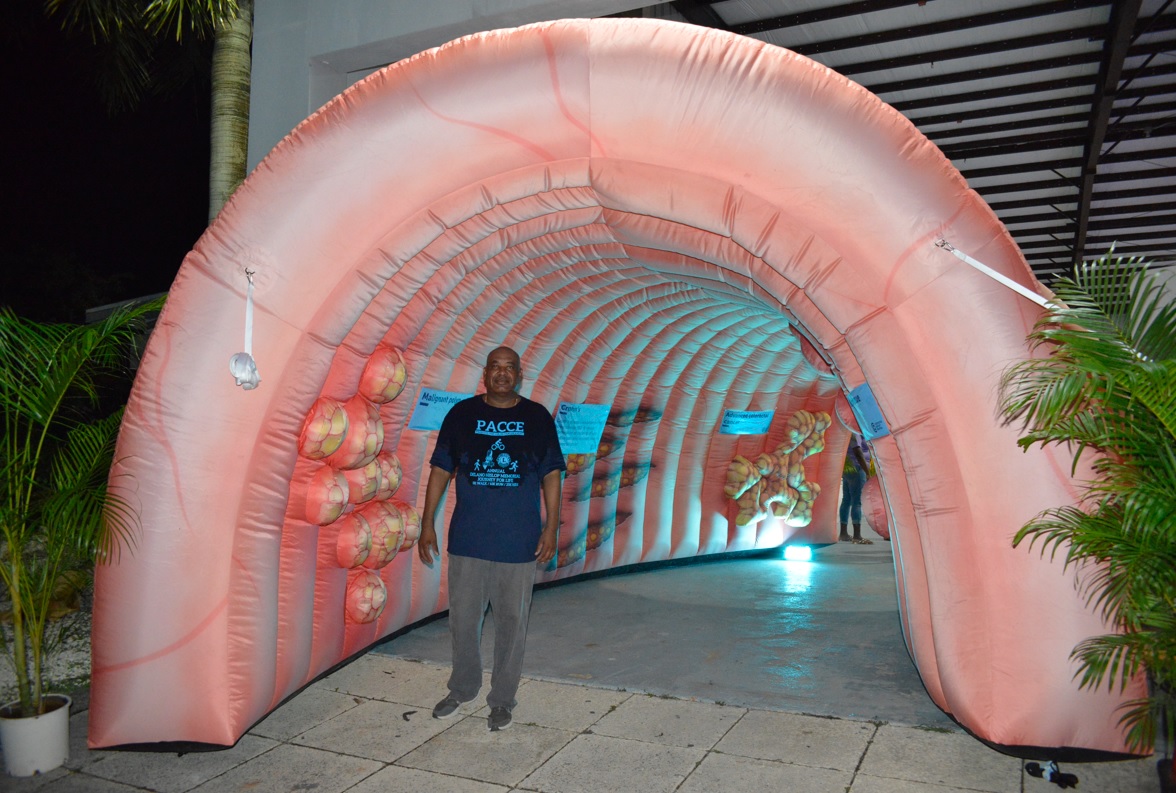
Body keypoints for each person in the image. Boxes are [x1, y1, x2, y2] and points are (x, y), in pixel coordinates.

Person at [417, 346, 565, 732]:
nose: (502, 374)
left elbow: (551, 474)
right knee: (463, 622)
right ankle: (462, 689)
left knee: (512, 626)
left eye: (509, 368)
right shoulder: (462, 414)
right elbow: (440, 471)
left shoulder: (536, 417)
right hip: (468, 540)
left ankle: (502, 700)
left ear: (519, 374)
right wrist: (426, 524)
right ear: (485, 374)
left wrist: (551, 527)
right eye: (495, 367)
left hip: (519, 543)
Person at [838, 434, 872, 544]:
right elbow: (858, 452)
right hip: (857, 468)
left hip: (848, 467)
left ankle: (843, 533)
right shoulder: (854, 433)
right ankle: (857, 536)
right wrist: (867, 472)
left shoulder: (850, 432)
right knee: (857, 502)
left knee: (846, 500)